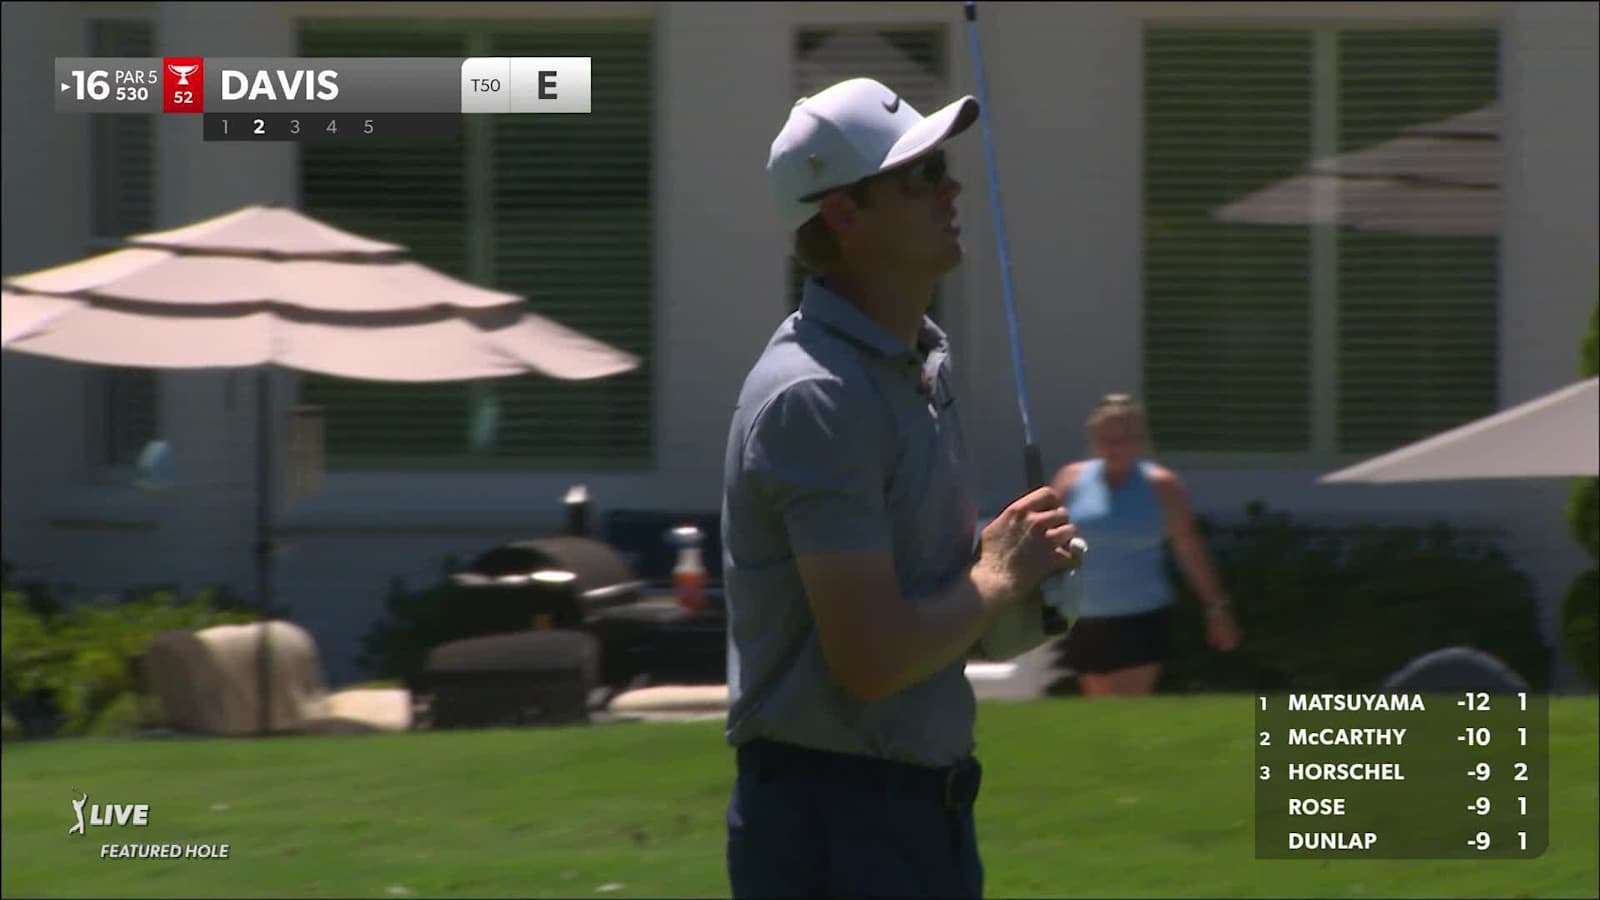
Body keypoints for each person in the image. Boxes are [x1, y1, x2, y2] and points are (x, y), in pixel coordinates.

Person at [719, 77, 1083, 899]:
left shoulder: (923, 362)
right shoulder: (815, 395)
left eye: (941, 166)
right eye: (919, 174)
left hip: (925, 815)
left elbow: (930, 612)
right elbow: (873, 661)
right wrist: (995, 577)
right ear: (843, 214)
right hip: (836, 826)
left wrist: (1022, 592)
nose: (950, 187)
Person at [1050, 394, 1241, 697]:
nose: (1114, 447)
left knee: (1126, 707)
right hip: (1083, 615)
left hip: (1141, 614)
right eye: (1106, 439)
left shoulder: (1163, 486)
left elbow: (1188, 550)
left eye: (1123, 439)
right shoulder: (1071, 478)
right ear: (1094, 439)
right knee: (1097, 712)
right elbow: (1048, 539)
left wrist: (1216, 608)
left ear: (1139, 441)